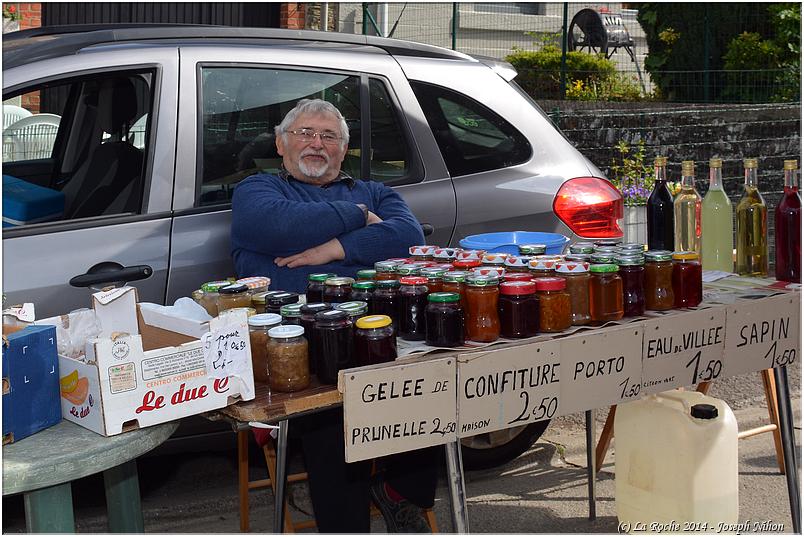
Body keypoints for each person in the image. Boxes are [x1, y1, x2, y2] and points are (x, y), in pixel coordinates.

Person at [231, 99, 437, 533]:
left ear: (343, 151)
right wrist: (359, 219)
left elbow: (407, 236)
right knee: (331, 418)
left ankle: (399, 493)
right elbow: (275, 226)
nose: (316, 144)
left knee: (429, 390)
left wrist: (332, 250)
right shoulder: (259, 190)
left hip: (379, 326)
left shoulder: (377, 190)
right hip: (300, 338)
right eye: (305, 133)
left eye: (329, 137)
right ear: (281, 143)